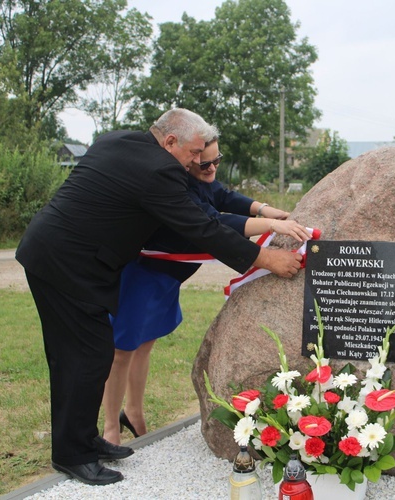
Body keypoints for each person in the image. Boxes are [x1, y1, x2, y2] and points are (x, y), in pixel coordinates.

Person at [15, 109, 302, 486]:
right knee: (82, 358)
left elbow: (211, 203)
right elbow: (201, 227)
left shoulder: (116, 140)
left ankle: (84, 439)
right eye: (195, 152)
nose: (198, 161)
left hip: (60, 256)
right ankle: (73, 456)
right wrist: (266, 258)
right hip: (65, 265)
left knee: (91, 355)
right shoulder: (159, 171)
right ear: (170, 142)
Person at [102, 138, 310, 444]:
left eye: (216, 160)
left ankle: (133, 413)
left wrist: (267, 210)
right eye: (203, 162)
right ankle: (109, 429)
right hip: (142, 275)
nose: (211, 167)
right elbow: (213, 220)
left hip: (166, 280)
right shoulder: (174, 184)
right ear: (188, 160)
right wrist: (268, 224)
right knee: (121, 351)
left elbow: (224, 196)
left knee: (144, 344)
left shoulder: (202, 176)